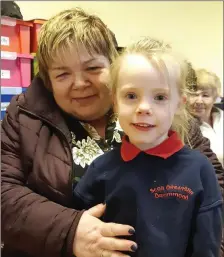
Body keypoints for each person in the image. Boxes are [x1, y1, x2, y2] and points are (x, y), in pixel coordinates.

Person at [1, 7, 223, 257]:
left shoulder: (164, 112)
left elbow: (215, 190)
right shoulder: (24, 116)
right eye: (62, 74)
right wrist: (69, 230)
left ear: (113, 65)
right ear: (48, 81)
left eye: (93, 69)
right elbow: (4, 193)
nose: (80, 83)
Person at [73, 37, 223, 257]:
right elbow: (80, 230)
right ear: (115, 102)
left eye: (160, 97)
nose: (144, 107)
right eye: (131, 96)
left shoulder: (200, 170)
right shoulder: (100, 169)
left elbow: (207, 245)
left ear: (178, 104)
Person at [187, 68, 223, 166]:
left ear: (215, 98)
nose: (199, 101)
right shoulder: (185, 128)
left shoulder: (221, 117)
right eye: (194, 94)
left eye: (205, 95)